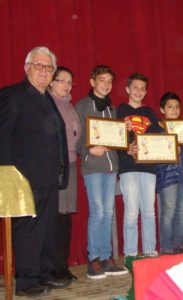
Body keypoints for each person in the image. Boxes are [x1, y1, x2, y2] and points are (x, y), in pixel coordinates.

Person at [0, 46, 70, 296]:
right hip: (23, 178)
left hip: (49, 177)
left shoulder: (47, 98)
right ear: (26, 68)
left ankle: (44, 273)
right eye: (38, 65)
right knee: (28, 230)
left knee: (47, 228)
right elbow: (3, 137)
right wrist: (7, 178)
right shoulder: (13, 95)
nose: (43, 71)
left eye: (48, 67)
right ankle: (27, 281)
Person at [75, 65, 127, 279]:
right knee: (97, 211)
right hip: (92, 167)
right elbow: (74, 137)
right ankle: (93, 259)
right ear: (92, 82)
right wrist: (88, 150)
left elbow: (113, 139)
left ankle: (106, 258)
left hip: (110, 167)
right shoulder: (82, 106)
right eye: (102, 80)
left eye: (109, 81)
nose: (106, 85)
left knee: (108, 212)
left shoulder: (112, 109)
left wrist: (123, 132)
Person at [117, 73, 161, 262]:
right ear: (127, 89)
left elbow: (158, 138)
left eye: (142, 88)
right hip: (128, 167)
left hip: (149, 167)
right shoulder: (119, 111)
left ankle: (150, 249)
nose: (139, 91)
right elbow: (112, 137)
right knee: (131, 211)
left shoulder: (150, 113)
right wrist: (126, 147)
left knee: (149, 211)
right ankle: (130, 252)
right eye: (135, 87)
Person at [48, 66, 81, 281]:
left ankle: (62, 265)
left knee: (66, 216)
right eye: (62, 81)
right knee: (54, 216)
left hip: (71, 164)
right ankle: (51, 266)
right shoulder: (46, 104)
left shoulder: (70, 107)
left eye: (70, 82)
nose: (66, 85)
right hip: (53, 166)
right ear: (51, 81)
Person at [157, 92, 183, 254]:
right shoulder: (158, 127)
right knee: (169, 209)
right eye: (170, 107)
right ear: (162, 109)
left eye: (177, 107)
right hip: (167, 172)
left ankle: (179, 244)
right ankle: (166, 247)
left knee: (181, 210)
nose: (174, 110)